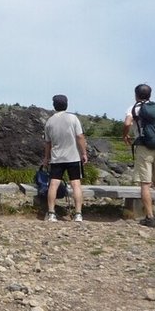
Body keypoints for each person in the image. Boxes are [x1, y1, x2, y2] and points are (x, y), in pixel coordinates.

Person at [123, 83, 155, 227]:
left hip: (143, 147)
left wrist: (125, 135)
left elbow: (127, 123)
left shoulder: (134, 108)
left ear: (136, 95)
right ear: (150, 94)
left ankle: (149, 216)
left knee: (145, 183)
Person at [41, 94, 88, 223]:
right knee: (76, 184)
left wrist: (46, 157)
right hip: (73, 157)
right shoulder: (73, 119)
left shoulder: (49, 121)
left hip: (57, 158)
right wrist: (83, 153)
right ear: (66, 104)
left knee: (53, 184)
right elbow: (80, 137)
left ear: (54, 105)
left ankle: (51, 213)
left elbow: (47, 143)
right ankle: (78, 214)